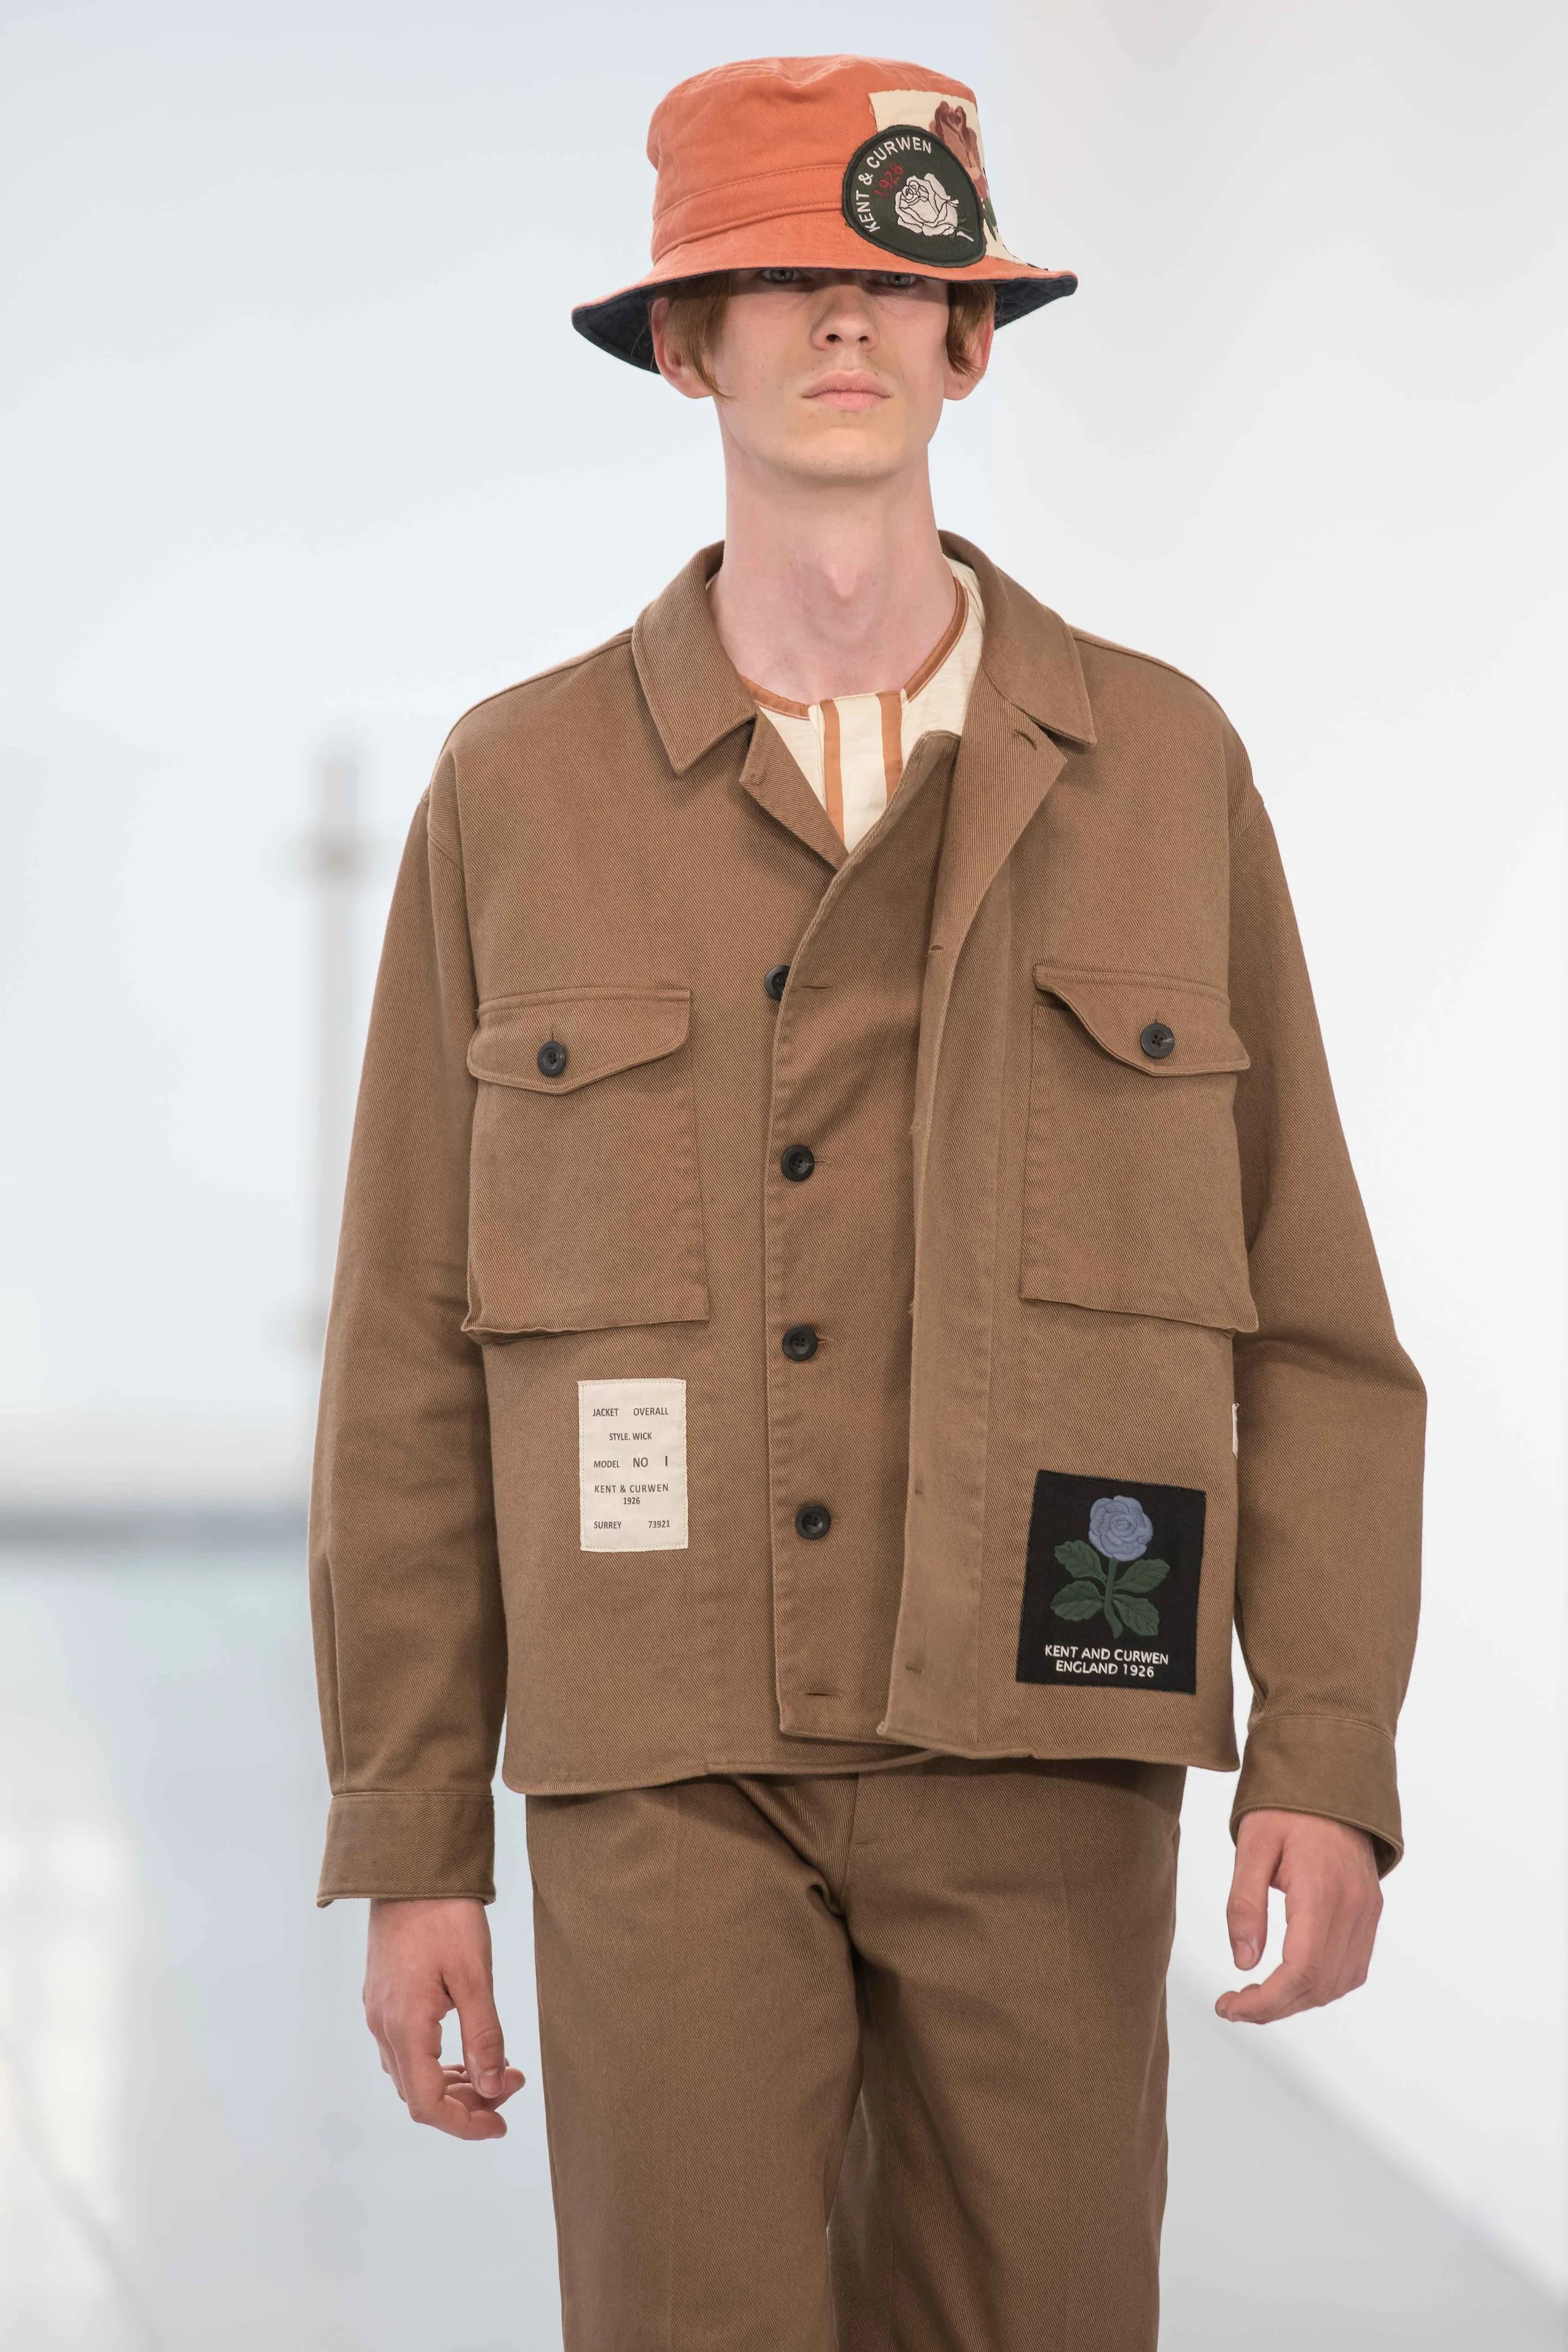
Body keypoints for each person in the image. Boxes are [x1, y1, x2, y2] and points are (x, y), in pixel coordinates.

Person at [309, 52, 1424, 2349]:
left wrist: (1322, 1745)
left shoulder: (1160, 770)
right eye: (774, 281)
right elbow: (406, 1352)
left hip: (1049, 1737)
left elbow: (1314, 1325)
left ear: (966, 340)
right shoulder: (517, 792)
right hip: (660, 1758)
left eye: (896, 282)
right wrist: (409, 1835)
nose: (842, 322)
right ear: (683, 346)